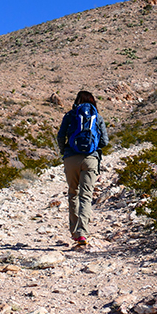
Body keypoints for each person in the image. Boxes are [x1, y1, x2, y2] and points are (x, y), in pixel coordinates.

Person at [56, 90, 109, 246]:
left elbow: (60, 136)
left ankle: (74, 231)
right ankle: (82, 233)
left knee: (73, 192)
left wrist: (64, 152)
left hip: (71, 158)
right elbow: (105, 141)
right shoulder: (97, 117)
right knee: (86, 196)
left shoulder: (70, 115)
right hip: (91, 159)